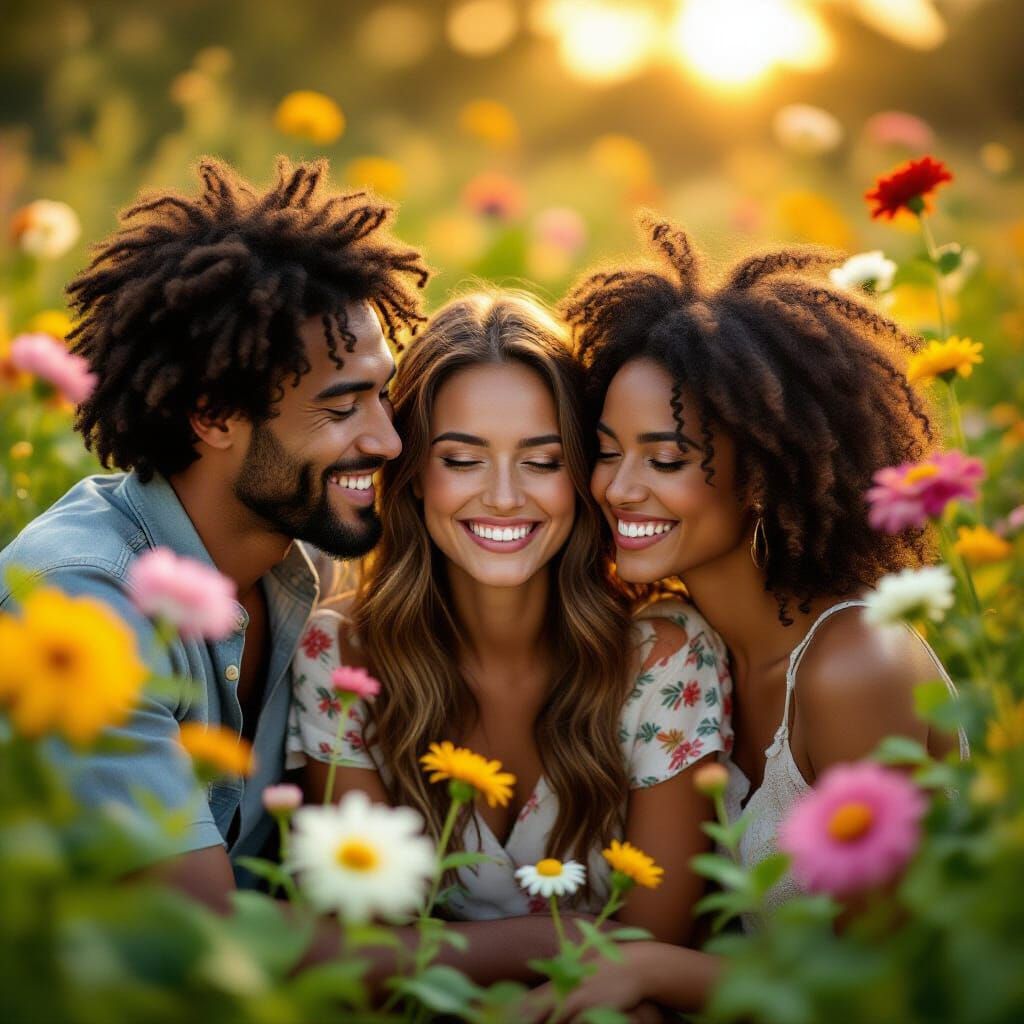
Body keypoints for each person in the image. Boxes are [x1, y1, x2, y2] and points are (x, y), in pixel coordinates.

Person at [526, 214, 967, 1017]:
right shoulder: (684, 645)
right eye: (608, 450)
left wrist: (655, 970)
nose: (619, 488)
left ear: (760, 475)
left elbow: (888, 990)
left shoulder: (853, 667)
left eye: (665, 459)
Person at [0, 157, 429, 909]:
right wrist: (557, 949)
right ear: (214, 416)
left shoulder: (316, 564)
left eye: (382, 396)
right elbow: (202, 934)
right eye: (341, 408)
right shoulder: (85, 601)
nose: (388, 441)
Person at [287, 290, 732, 944]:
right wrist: (563, 938)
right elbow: (366, 949)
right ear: (414, 474)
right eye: (462, 460)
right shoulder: (341, 657)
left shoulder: (665, 656)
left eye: (542, 462)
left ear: (581, 473)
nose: (502, 497)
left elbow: (656, 946)